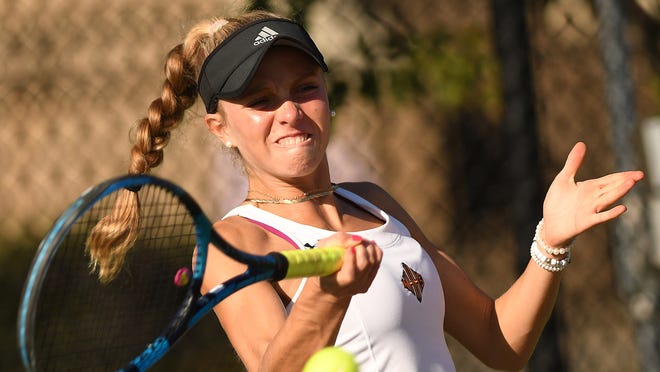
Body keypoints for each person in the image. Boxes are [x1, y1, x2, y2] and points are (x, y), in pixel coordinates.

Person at [111, 10, 644, 371]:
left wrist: (550, 241)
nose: (291, 112)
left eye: (305, 89)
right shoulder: (234, 243)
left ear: (327, 94)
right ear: (220, 129)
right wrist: (328, 292)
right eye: (261, 100)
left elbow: (498, 342)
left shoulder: (375, 202)